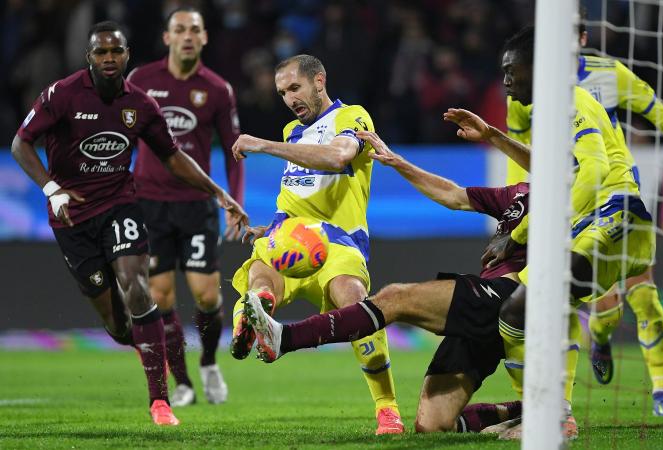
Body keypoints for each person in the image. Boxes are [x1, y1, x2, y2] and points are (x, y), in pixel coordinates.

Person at [10, 21, 248, 426]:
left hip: (121, 205)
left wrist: (217, 192)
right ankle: (146, 347)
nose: (108, 59)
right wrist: (52, 188)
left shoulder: (140, 104)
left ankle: (160, 402)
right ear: (89, 57)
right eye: (100, 52)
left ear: (126, 56)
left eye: (115, 52)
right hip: (71, 217)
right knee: (118, 327)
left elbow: (173, 156)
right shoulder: (62, 94)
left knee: (138, 288)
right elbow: (20, 143)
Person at [243, 129, 532, 434]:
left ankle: (285, 338)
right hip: (487, 313)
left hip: (511, 296)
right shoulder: (515, 194)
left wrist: (515, 238)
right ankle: (529, 410)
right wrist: (397, 162)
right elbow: (453, 195)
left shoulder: (559, 196)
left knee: (395, 298)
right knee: (433, 425)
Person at [503, 14, 663, 416]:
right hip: (574, 205)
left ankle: (661, 392)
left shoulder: (607, 75)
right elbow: (520, 154)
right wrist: (515, 209)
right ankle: (566, 396)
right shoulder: (527, 94)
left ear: (581, 37)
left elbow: (659, 113)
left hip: (615, 196)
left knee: (642, 295)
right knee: (590, 308)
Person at [228, 55, 403, 435]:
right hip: (289, 236)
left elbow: (338, 156)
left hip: (337, 240)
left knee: (356, 303)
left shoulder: (352, 117)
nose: (289, 99)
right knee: (260, 275)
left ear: (319, 81)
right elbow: (294, 191)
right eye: (282, 93)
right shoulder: (293, 130)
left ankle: (387, 409)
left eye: (295, 88)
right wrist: (270, 228)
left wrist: (263, 145)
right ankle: (255, 314)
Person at [126, 7, 243, 407]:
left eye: (194, 29)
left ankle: (209, 362)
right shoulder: (140, 81)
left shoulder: (217, 88)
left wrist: (234, 200)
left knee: (207, 296)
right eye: (180, 29)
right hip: (149, 205)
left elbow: (233, 151)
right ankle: (184, 383)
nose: (187, 36)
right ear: (167, 37)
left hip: (196, 204)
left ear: (205, 38)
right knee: (158, 295)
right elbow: (122, 134)